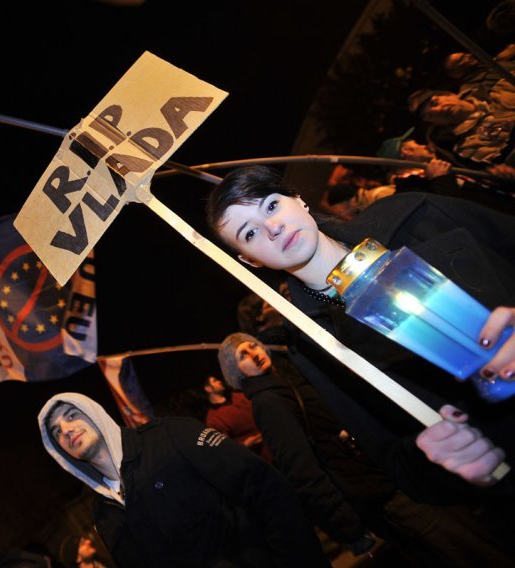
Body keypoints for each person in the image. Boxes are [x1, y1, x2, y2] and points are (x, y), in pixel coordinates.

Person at [204, 165, 515, 503]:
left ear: (298, 200)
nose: (272, 227)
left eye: (272, 205)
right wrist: (446, 457)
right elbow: (395, 461)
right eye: (249, 234)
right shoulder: (312, 347)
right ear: (250, 261)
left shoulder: (415, 216)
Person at [217, 331, 514, 567]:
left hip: (384, 475)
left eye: (253, 346)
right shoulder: (268, 402)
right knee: (465, 548)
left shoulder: (282, 383)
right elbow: (302, 468)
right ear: (235, 370)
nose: (254, 354)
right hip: (377, 490)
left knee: (467, 541)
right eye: (243, 354)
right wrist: (348, 528)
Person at [38, 392, 330, 567]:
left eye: (72, 415)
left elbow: (267, 490)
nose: (65, 429)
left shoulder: (172, 436)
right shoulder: (103, 513)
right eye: (55, 431)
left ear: (95, 414)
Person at [375, 127, 515, 213]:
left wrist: (501, 179)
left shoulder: (447, 158)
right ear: (407, 152)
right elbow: (457, 210)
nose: (424, 146)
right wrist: (441, 180)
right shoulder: (414, 190)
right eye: (417, 144)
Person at [202, 374, 272, 462]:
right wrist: (245, 444)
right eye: (215, 381)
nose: (220, 381)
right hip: (260, 457)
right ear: (208, 388)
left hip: (273, 440)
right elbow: (225, 446)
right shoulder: (213, 418)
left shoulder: (237, 396)